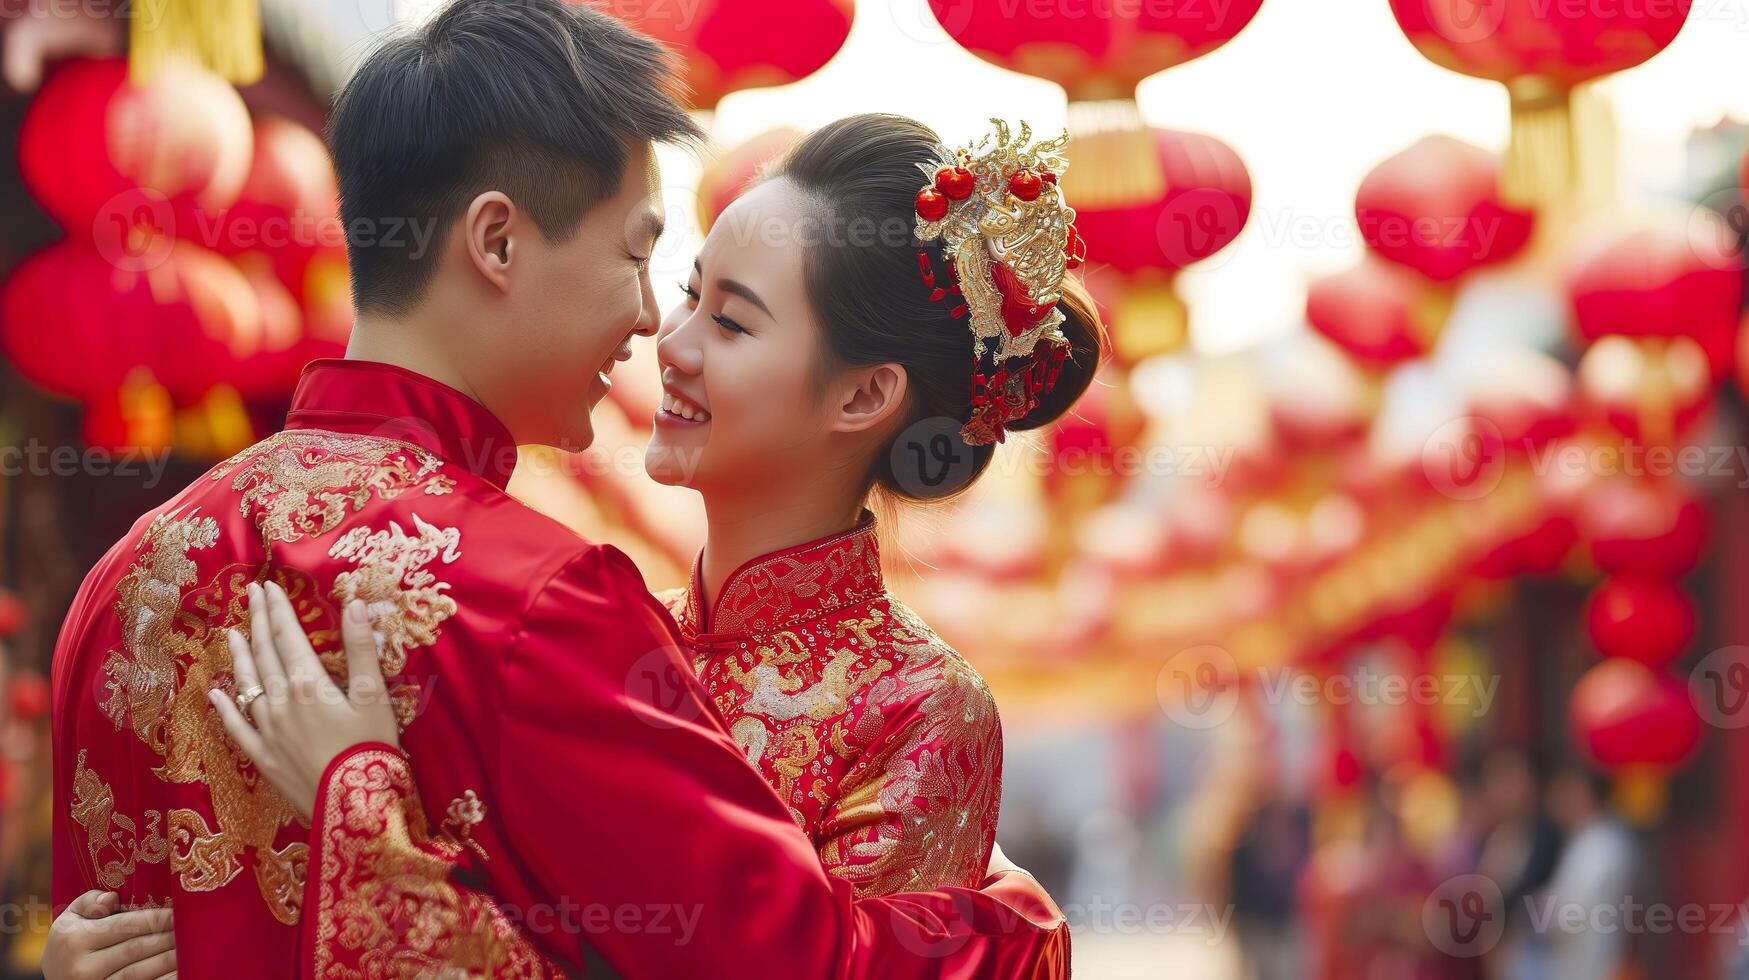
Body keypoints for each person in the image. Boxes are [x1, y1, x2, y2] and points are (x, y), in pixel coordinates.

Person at [45, 1, 1083, 977]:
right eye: (658, 270)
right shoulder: (551, 604)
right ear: (497, 240)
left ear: (867, 396)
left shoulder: (126, 575)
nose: (654, 329)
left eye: (730, 317)